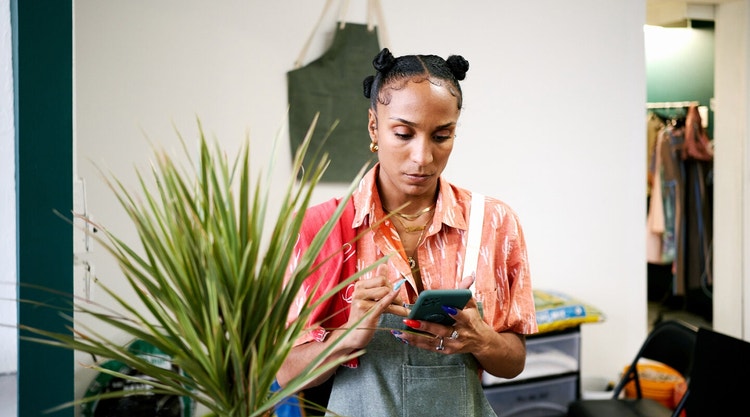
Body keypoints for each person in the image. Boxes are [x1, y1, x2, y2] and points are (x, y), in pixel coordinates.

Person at [277, 48, 538, 417]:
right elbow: (287, 373)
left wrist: (481, 339)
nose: (422, 157)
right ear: (374, 127)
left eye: (441, 136)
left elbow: (513, 363)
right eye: (403, 133)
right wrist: (349, 336)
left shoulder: (495, 223)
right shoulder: (320, 230)